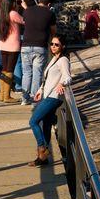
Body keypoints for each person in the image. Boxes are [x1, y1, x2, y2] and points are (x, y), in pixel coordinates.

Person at [28, 34, 71, 166]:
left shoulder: (63, 60)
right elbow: (47, 78)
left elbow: (68, 77)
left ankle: (43, 148)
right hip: (47, 95)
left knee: (33, 121)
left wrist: (62, 84)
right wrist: (40, 90)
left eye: (56, 45)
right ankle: (43, 159)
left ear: (62, 46)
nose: (53, 47)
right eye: (52, 44)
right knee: (46, 125)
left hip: (54, 97)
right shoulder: (54, 59)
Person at [20, 0, 56, 106]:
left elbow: (27, 22)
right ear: (49, 4)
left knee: (26, 73)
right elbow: (54, 31)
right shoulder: (50, 13)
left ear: (39, 1)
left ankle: (24, 99)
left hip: (25, 45)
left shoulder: (27, 11)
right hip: (40, 45)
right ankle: (35, 99)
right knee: (37, 73)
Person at [0, 0, 22, 103]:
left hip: (3, 44)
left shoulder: (1, 13)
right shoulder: (13, 13)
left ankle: (3, 95)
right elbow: (24, 21)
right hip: (13, 45)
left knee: (4, 70)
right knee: (9, 70)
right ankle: (7, 96)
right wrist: (24, 7)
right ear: (11, 4)